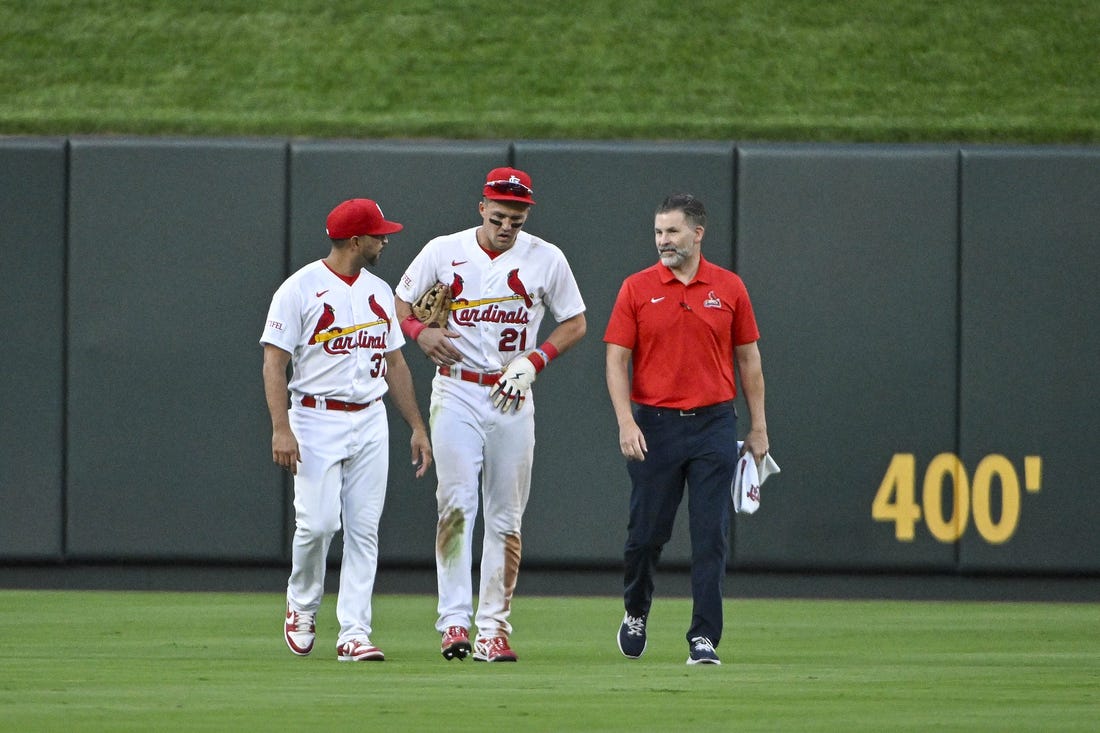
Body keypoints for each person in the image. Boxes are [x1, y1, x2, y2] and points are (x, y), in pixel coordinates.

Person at [394, 167, 587, 662]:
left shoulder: (546, 258)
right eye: (499, 216)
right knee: (455, 505)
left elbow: (576, 321)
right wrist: (420, 333)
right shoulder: (444, 249)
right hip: (456, 390)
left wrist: (535, 359)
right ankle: (454, 623)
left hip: (510, 392)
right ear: (481, 207)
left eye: (516, 220)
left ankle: (493, 629)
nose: (507, 227)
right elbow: (400, 305)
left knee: (506, 515)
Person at [261, 198, 433, 662]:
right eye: (379, 234)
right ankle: (301, 604)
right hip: (315, 417)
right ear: (356, 240)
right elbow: (274, 362)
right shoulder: (298, 289)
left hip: (370, 415)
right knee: (317, 525)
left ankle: (354, 631)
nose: (386, 240)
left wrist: (416, 425)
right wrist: (282, 427)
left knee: (363, 529)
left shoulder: (379, 291)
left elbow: (395, 361)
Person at [604, 193, 770, 666]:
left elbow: (749, 360)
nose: (663, 241)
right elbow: (616, 359)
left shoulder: (729, 287)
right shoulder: (637, 287)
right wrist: (625, 421)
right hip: (654, 424)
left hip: (714, 422)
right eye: (658, 232)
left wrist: (758, 427)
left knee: (710, 534)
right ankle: (636, 611)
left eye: (672, 231)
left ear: (698, 233)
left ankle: (704, 637)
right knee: (646, 534)